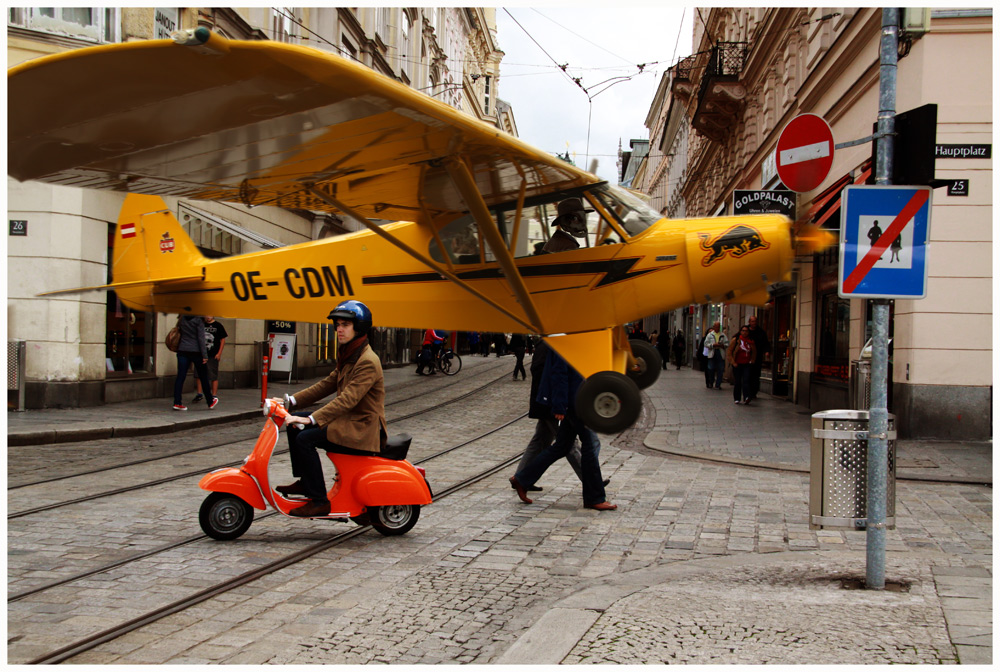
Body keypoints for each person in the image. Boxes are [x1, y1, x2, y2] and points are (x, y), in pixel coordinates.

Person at [278, 300, 387, 517]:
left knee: (304, 437)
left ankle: (319, 501)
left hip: (361, 428)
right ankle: (306, 482)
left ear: (359, 328)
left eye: (345, 325)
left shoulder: (367, 361)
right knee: (293, 422)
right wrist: (292, 401)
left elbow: (348, 400)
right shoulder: (349, 354)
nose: (339, 329)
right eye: (337, 324)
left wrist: (312, 419)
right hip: (348, 421)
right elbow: (328, 383)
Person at [509, 346, 616, 511]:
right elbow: (559, 371)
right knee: (588, 443)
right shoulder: (565, 335)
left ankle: (522, 479)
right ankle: (594, 497)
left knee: (562, 446)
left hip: (578, 395)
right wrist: (559, 405)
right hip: (575, 400)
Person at [511, 338, 586, 493]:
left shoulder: (549, 343)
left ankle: (520, 478)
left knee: (540, 440)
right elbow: (543, 372)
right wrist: (553, 400)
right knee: (569, 443)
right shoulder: (549, 344)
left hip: (548, 402)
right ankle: (591, 480)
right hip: (550, 403)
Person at [172, 315, 218, 411]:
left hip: (182, 350)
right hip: (196, 352)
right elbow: (201, 338)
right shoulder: (198, 320)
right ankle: (210, 401)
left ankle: (177, 402)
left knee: (180, 377)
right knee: (203, 377)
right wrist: (205, 355)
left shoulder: (182, 318)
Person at [193, 316, 227, 403]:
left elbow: (222, 339)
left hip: (213, 354)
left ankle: (214, 394)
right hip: (201, 353)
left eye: (209, 315)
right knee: (198, 374)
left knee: (213, 375)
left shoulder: (218, 325)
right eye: (206, 315)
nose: (208, 317)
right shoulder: (201, 324)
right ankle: (199, 393)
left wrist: (219, 353)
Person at [727, 325, 757, 405]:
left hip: (747, 364)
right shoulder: (736, 340)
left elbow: (754, 352)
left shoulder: (750, 341)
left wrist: (752, 360)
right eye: (743, 331)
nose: (744, 332)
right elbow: (729, 351)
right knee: (738, 381)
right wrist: (733, 362)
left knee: (746, 380)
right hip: (737, 364)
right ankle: (737, 398)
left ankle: (746, 396)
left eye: (746, 331)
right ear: (740, 331)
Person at [746, 315, 770, 401]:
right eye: (752, 321)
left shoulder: (761, 332)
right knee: (748, 375)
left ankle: (754, 392)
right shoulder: (746, 331)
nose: (754, 323)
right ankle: (748, 391)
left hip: (757, 357)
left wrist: (766, 351)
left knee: (756, 375)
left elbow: (765, 342)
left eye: (755, 321)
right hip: (747, 356)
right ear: (749, 322)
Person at [703, 321, 727, 390]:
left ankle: (718, 384)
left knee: (720, 369)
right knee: (710, 368)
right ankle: (711, 381)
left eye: (718, 326)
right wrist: (713, 345)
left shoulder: (722, 335)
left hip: (720, 352)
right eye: (716, 326)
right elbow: (706, 343)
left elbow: (727, 344)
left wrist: (722, 345)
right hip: (712, 352)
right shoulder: (710, 335)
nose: (717, 328)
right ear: (714, 327)